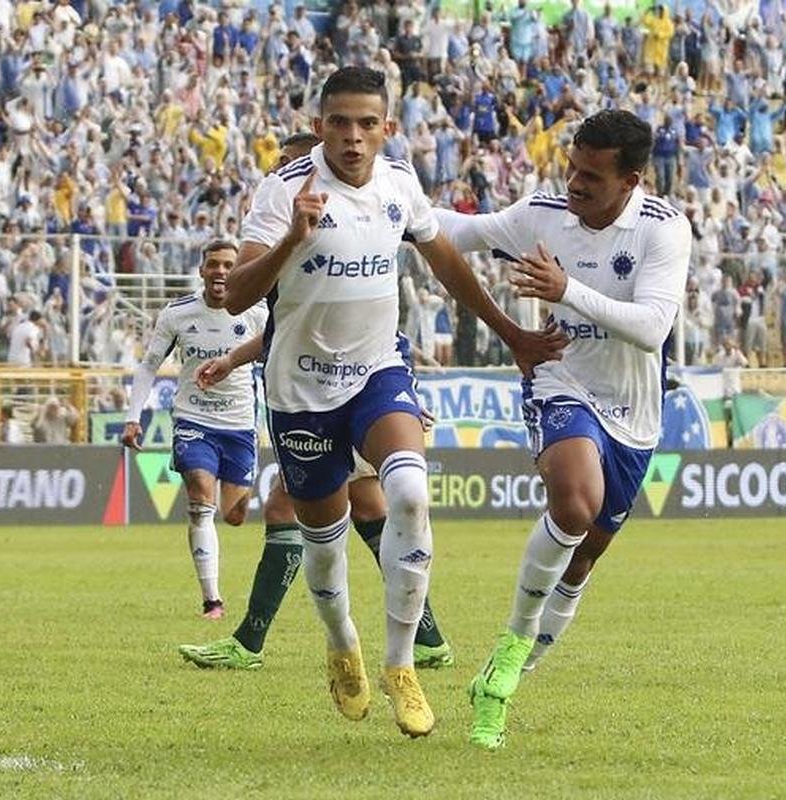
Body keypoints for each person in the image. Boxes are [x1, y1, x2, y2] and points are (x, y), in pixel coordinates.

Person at [224, 66, 564, 738]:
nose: (353, 138)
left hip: (378, 369)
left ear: (387, 128)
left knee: (407, 491)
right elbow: (235, 295)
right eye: (340, 123)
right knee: (322, 541)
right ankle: (342, 641)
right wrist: (293, 237)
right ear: (320, 125)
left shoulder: (398, 183)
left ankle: (400, 665)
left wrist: (511, 334)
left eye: (366, 124)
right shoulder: (283, 190)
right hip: (301, 389)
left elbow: (445, 263)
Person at [436, 110, 691, 749]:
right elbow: (457, 231)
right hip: (561, 380)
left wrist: (566, 287)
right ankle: (507, 652)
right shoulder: (542, 212)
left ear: (631, 179)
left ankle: (506, 675)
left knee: (581, 563)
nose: (574, 184)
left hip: (634, 413)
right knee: (575, 502)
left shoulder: (664, 229)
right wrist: (385, 207)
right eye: (571, 168)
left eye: (592, 177)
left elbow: (652, 328)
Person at [177, 132, 453, 672]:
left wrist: (401, 395)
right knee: (370, 509)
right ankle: (429, 637)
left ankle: (252, 640)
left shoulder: (349, 221)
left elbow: (361, 319)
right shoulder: (295, 242)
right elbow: (283, 328)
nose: (287, 181)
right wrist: (233, 360)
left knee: (294, 507)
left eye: (291, 166)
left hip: (354, 388)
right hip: (317, 388)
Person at [122, 240, 268, 620]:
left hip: (239, 425)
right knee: (200, 499)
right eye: (214, 265)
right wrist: (133, 416)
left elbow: (275, 359)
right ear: (202, 270)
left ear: (237, 272)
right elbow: (149, 366)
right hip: (193, 419)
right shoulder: (178, 314)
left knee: (234, 515)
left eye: (228, 266)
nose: (220, 271)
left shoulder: (256, 312)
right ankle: (212, 601)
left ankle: (214, 587)